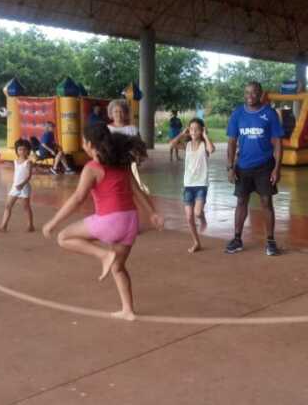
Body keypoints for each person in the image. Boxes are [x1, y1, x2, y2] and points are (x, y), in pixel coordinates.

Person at [42, 123, 163, 321]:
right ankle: (128, 311)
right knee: (118, 267)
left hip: (110, 221)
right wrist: (152, 213)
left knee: (63, 237)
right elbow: (137, 190)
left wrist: (53, 222)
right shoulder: (121, 163)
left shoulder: (92, 168)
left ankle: (103, 255)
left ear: (90, 144)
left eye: (83, 142)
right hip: (130, 222)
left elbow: (77, 198)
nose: (83, 146)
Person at [225, 81, 284, 256]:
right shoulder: (237, 114)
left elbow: (278, 143)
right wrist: (230, 166)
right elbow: (231, 142)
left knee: (266, 202)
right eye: (247, 92)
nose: (250, 96)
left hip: (265, 166)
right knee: (241, 201)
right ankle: (237, 239)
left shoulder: (270, 114)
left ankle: (271, 242)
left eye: (254, 92)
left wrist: (277, 168)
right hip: (242, 167)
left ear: (260, 94)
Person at [170, 118, 215, 253]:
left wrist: (206, 136)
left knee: (196, 213)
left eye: (197, 129)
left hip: (201, 184)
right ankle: (196, 242)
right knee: (189, 217)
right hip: (188, 185)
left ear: (202, 131)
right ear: (188, 131)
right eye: (191, 129)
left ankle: (202, 219)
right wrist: (182, 134)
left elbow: (211, 150)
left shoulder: (204, 145)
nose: (194, 131)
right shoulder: (187, 145)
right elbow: (172, 144)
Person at [0, 139, 35, 232]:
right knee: (8, 206)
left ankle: (30, 225)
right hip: (15, 187)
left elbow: (29, 176)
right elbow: (17, 174)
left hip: (24, 187)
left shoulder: (28, 162)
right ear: (17, 150)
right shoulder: (15, 161)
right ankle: (3, 226)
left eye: (24, 150)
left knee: (26, 207)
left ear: (28, 151)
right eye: (20, 149)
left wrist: (21, 184)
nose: (22, 152)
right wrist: (13, 184)